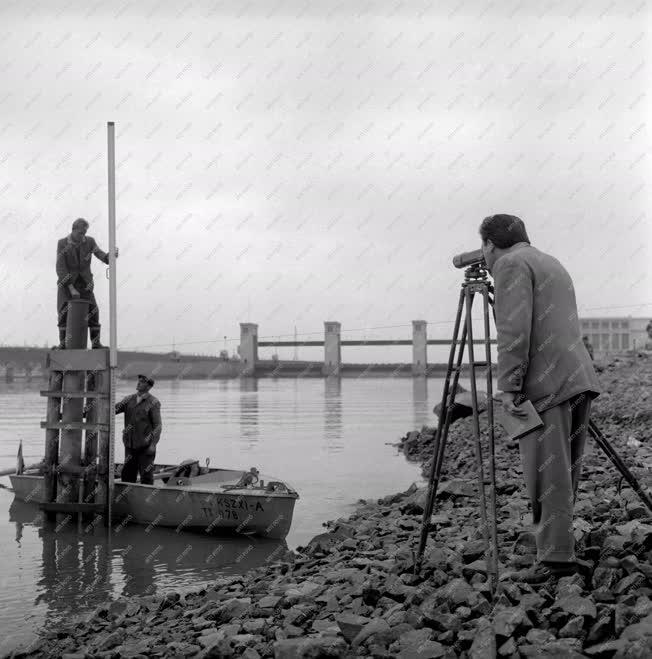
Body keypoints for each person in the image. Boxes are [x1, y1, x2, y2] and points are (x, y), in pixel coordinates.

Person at [480, 214, 601, 584]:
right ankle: (557, 547)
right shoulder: (550, 261)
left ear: (488, 244)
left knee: (547, 471)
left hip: (547, 384)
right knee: (563, 469)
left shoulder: (509, 263)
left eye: (484, 248)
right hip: (576, 376)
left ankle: (556, 560)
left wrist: (510, 387)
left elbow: (514, 331)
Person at [55, 218, 118, 349]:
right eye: (80, 233)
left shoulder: (89, 241)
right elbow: (61, 268)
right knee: (64, 313)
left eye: (84, 233)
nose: (82, 236)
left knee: (93, 311)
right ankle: (63, 344)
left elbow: (100, 255)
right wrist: (71, 288)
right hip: (66, 285)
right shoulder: (62, 243)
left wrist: (109, 257)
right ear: (73, 230)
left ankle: (96, 343)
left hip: (85, 284)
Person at [115, 375, 162, 485]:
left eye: (142, 382)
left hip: (145, 447)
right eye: (139, 381)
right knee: (127, 475)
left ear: (149, 386)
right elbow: (113, 410)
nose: (138, 383)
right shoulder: (128, 400)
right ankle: (126, 498)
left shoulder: (153, 402)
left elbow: (158, 426)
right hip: (130, 445)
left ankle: (146, 498)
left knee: (146, 476)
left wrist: (153, 445)